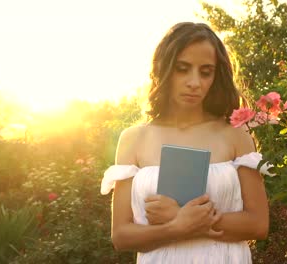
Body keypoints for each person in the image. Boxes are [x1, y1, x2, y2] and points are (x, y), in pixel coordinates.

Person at [101, 22, 270, 263]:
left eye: (205, 71)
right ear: (164, 69)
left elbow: (258, 225)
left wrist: (182, 216)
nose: (194, 82)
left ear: (216, 75)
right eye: (182, 68)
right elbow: (121, 236)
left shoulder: (235, 136)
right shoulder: (134, 139)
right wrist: (177, 226)